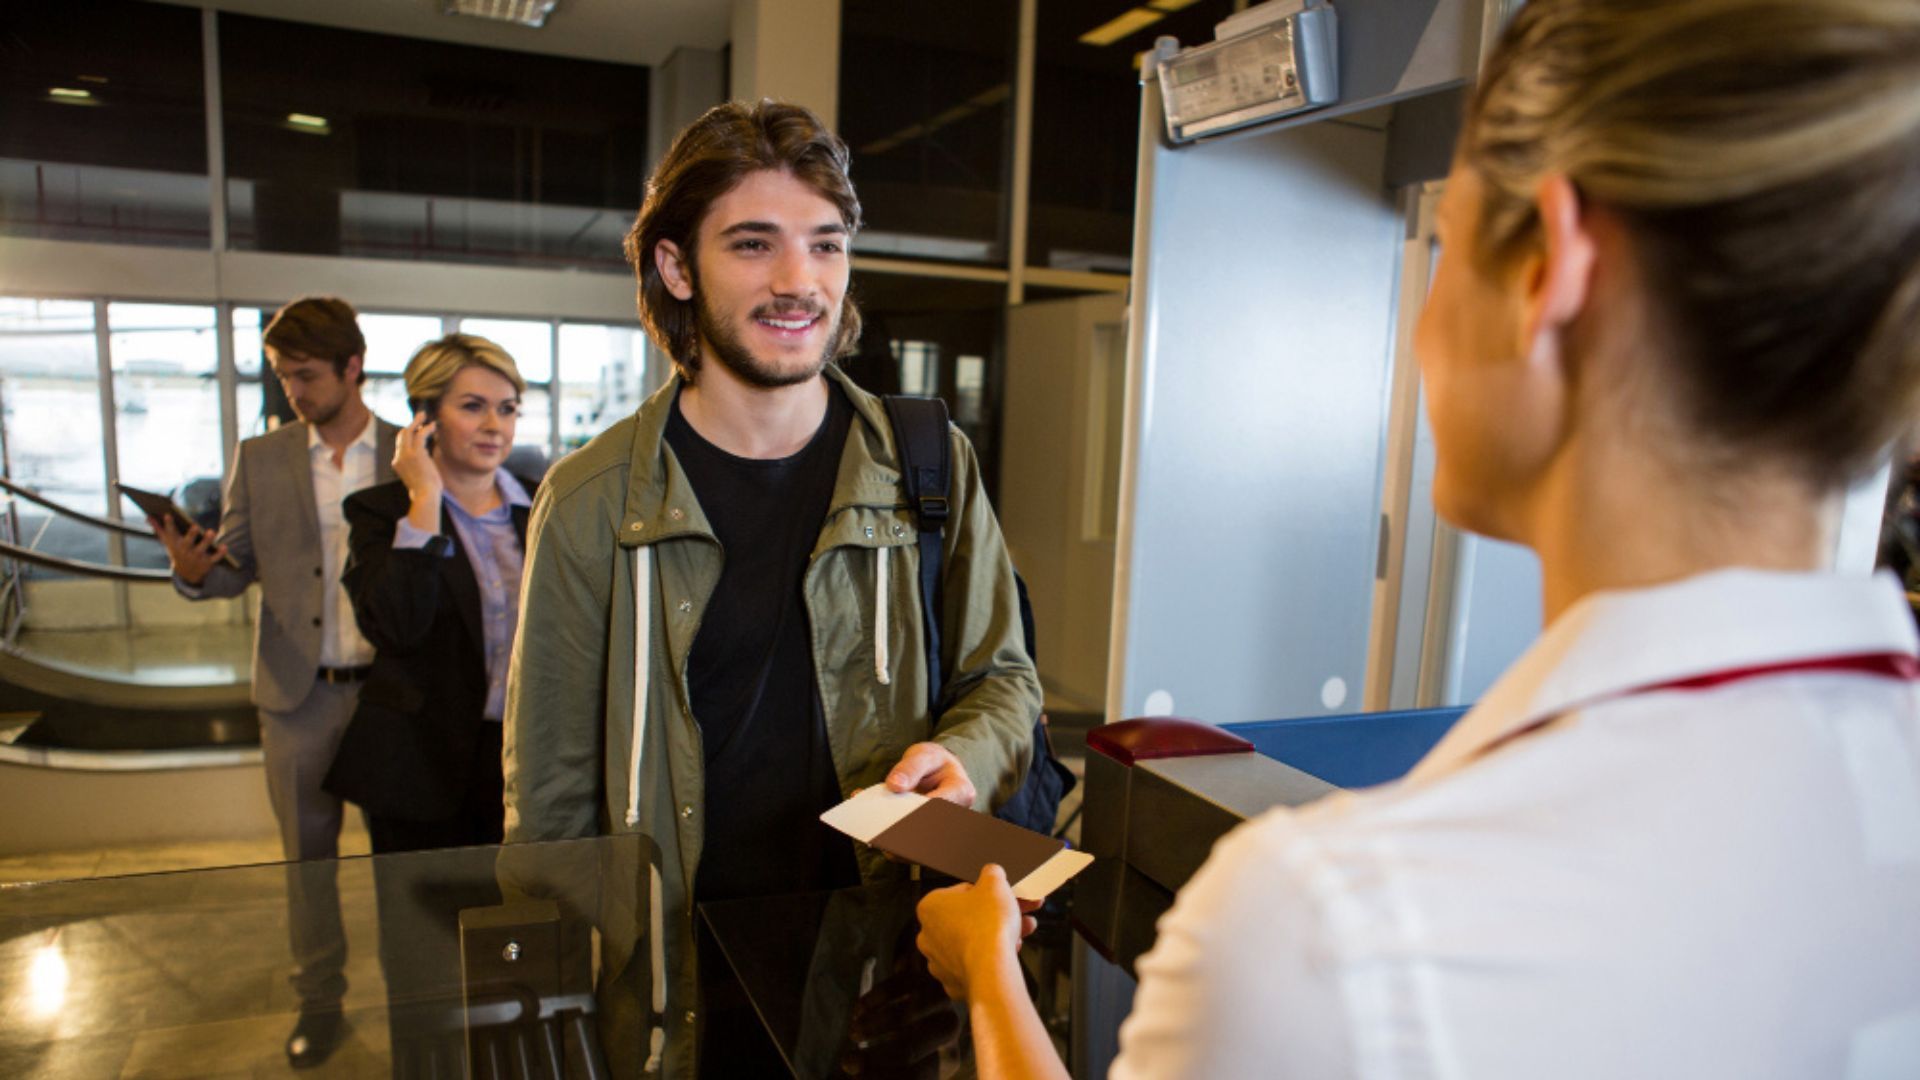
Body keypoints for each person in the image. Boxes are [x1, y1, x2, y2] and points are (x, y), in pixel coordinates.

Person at [916, 1, 1920, 1076]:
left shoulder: (1334, 927)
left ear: (1551, 274)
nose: (1428, 323)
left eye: (1448, 247)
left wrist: (989, 981)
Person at [502, 99, 1042, 1075]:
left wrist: (963, 759)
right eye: (754, 244)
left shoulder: (926, 463)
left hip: (885, 966)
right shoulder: (590, 504)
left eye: (825, 246)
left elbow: (1005, 680)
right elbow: (550, 806)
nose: (800, 281)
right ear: (676, 267)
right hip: (680, 981)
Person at [150, 295, 399, 1068]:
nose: (292, 391)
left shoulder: (409, 449)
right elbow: (236, 571)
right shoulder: (259, 458)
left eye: (305, 375)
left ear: (352, 368)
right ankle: (318, 1000)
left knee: (403, 861)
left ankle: (416, 1000)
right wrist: (194, 574)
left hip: (393, 697)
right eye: (283, 377)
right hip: (298, 697)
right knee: (307, 863)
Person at [326, 333, 537, 853]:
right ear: (425, 417)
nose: (495, 425)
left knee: (517, 928)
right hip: (419, 767)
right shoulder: (381, 511)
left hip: (524, 760)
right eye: (473, 407)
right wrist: (424, 498)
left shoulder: (542, 507)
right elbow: (396, 625)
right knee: (421, 933)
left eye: (507, 409)